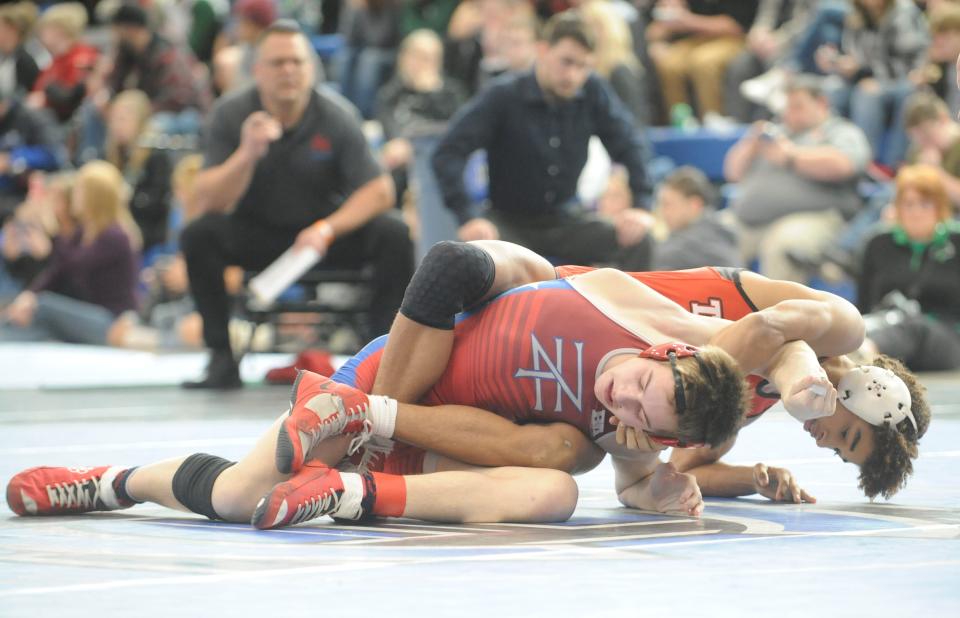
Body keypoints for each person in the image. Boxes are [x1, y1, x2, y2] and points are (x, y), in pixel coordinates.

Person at [182, 20, 412, 389]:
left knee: (394, 231)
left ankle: (380, 360)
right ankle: (221, 360)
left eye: (297, 62)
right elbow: (207, 199)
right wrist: (247, 154)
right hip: (258, 235)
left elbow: (380, 190)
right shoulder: (230, 113)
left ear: (311, 68)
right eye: (277, 63)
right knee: (199, 235)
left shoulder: (336, 115)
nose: (288, 71)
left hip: (321, 239)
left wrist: (327, 229)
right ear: (257, 70)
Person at [433, 10, 655, 271]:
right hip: (509, 224)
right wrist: (467, 217)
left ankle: (618, 312)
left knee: (640, 240)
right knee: (480, 257)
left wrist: (641, 205)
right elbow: (447, 152)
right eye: (566, 62)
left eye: (583, 66)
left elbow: (631, 143)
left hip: (567, 221)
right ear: (542, 50)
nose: (573, 75)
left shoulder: (593, 90)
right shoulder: (503, 95)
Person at [725, 75, 871, 283]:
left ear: (821, 103)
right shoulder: (775, 134)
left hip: (817, 217)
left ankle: (777, 316)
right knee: (713, 235)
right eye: (787, 107)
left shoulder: (840, 131)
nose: (790, 114)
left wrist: (791, 156)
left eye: (798, 106)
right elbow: (732, 172)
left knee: (782, 246)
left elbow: (844, 164)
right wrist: (750, 144)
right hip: (750, 220)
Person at [0, 160, 141, 345]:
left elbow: (73, 266)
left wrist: (51, 233)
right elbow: (57, 272)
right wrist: (28, 297)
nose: (75, 195)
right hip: (86, 314)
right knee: (33, 320)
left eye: (80, 190)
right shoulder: (83, 233)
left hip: (111, 320)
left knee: (43, 306)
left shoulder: (114, 236)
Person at [857, 164, 960, 371]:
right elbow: (865, 301)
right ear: (897, 207)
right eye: (909, 204)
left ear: (939, 207)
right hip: (887, 325)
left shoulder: (956, 242)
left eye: (925, 204)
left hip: (947, 338)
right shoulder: (878, 243)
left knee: (914, 327)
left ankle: (861, 356)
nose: (916, 212)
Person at [816, 0, 929, 169]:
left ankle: (868, 165)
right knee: (831, 90)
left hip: (900, 80)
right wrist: (838, 63)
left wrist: (868, 71)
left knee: (867, 95)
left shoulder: (904, 13)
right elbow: (854, 54)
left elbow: (912, 62)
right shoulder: (856, 15)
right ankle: (827, 153)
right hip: (865, 77)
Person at [645, 0, 759, 122]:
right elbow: (654, 32)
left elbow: (736, 26)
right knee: (669, 63)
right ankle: (680, 122)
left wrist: (689, 21)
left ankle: (713, 121)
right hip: (696, 38)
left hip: (733, 38)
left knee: (703, 62)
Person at [651, 166, 741, 271]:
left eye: (668, 204)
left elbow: (662, 257)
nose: (663, 212)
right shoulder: (714, 230)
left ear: (695, 205)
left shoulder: (696, 242)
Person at [25, 2, 98, 123]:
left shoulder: (81, 57)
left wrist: (46, 98)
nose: (41, 33)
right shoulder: (56, 60)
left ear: (59, 30)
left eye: (46, 28)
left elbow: (73, 98)